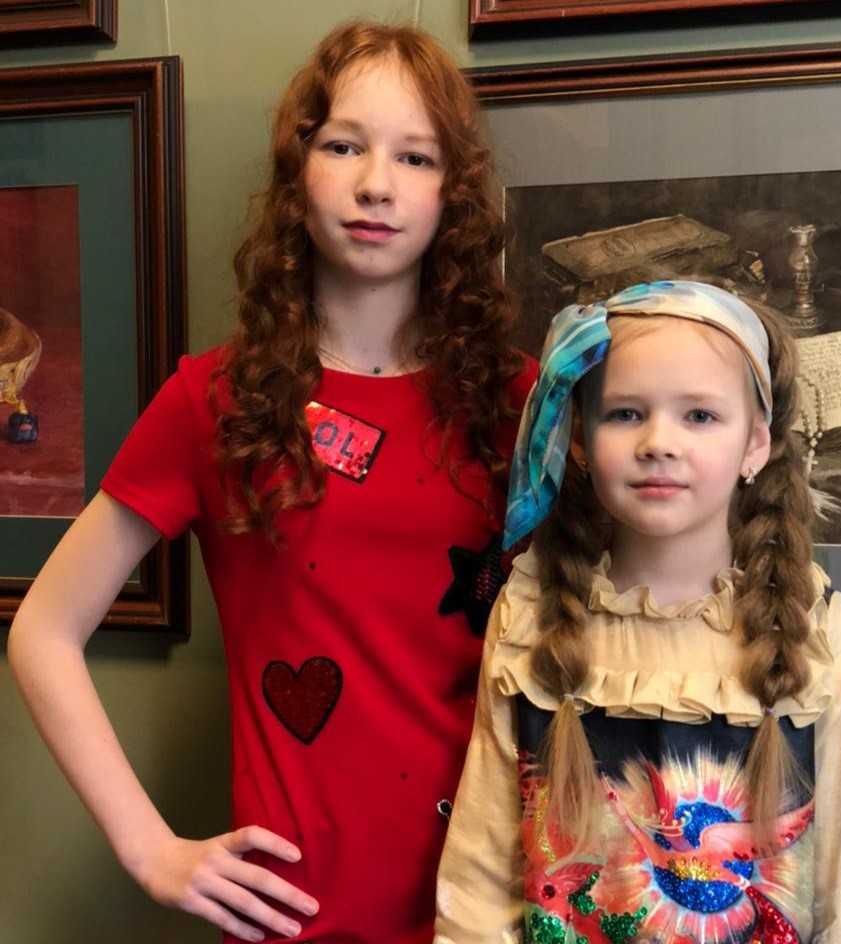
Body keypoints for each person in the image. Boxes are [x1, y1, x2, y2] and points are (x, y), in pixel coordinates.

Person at [9, 20, 536, 944]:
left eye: (415, 156)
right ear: (297, 171)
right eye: (344, 145)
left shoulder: (522, 400)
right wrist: (148, 848)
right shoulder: (214, 400)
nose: (376, 183)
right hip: (299, 912)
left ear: (452, 191)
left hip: (508, 898)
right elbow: (43, 631)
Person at [435, 280, 841, 944]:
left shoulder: (817, 627)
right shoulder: (529, 610)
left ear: (754, 444)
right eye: (624, 413)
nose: (658, 442)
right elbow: (477, 881)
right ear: (579, 440)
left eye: (699, 415)